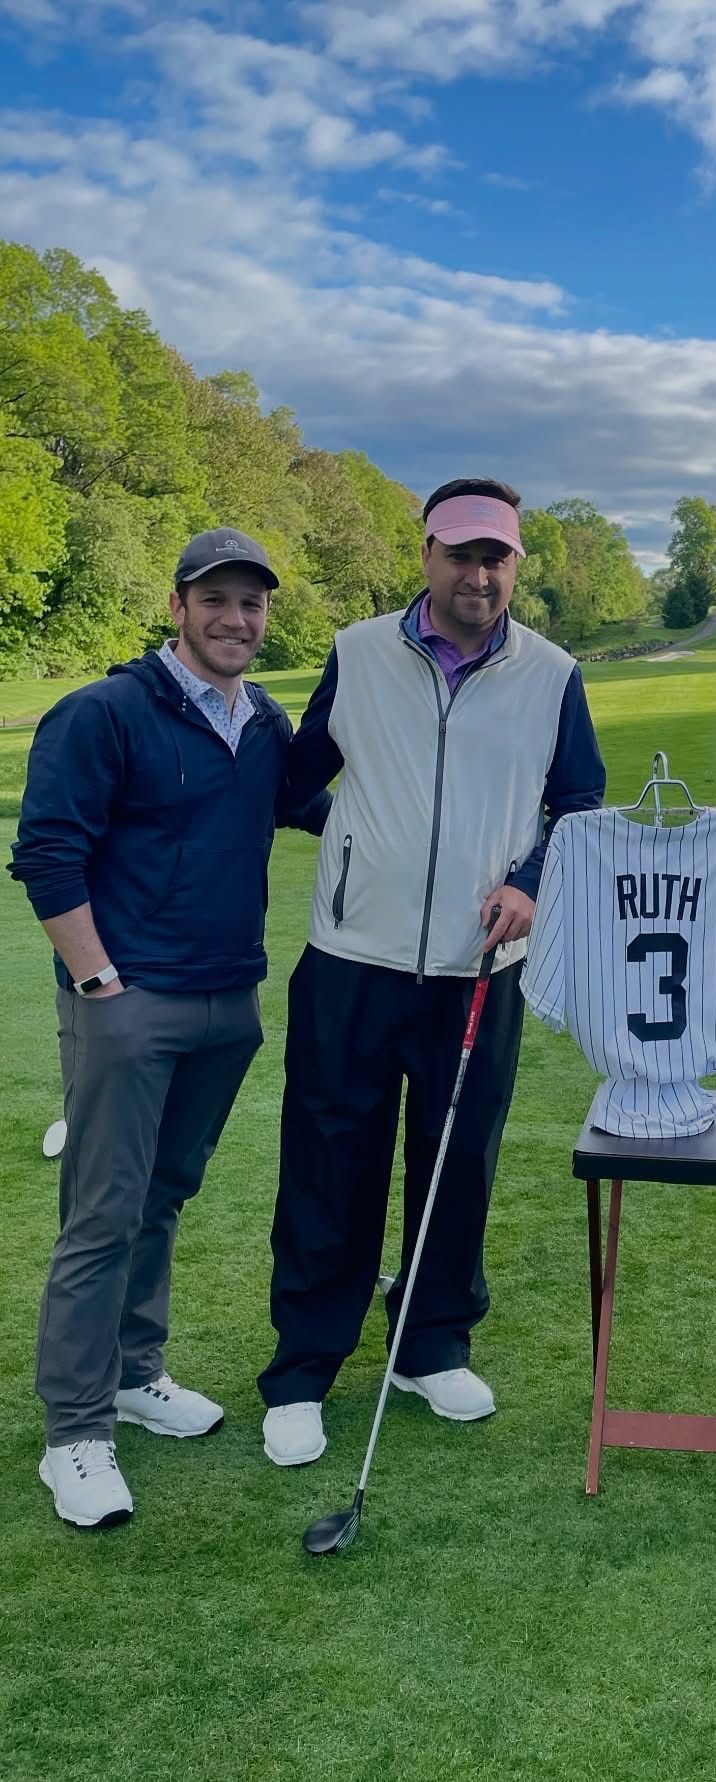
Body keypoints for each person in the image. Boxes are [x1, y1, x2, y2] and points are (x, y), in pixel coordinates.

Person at [258, 478, 606, 1467]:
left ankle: (430, 1345)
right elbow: (294, 781)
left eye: (496, 557)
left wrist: (534, 883)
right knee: (329, 1163)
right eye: (460, 553)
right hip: (351, 960)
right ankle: (303, 1367)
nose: (479, 573)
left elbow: (579, 800)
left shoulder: (552, 673)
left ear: (515, 565)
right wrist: (351, 837)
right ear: (426, 557)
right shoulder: (361, 654)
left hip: (479, 965)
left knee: (457, 1162)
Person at [9, 529, 330, 1528]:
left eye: (253, 604)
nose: (238, 620)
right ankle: (75, 1432)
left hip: (228, 998)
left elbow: (311, 806)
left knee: (163, 1196)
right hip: (130, 999)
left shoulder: (263, 719)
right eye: (218, 601)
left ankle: (135, 1373)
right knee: (103, 1211)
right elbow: (48, 853)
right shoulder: (105, 711)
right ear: (180, 605)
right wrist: (98, 979)